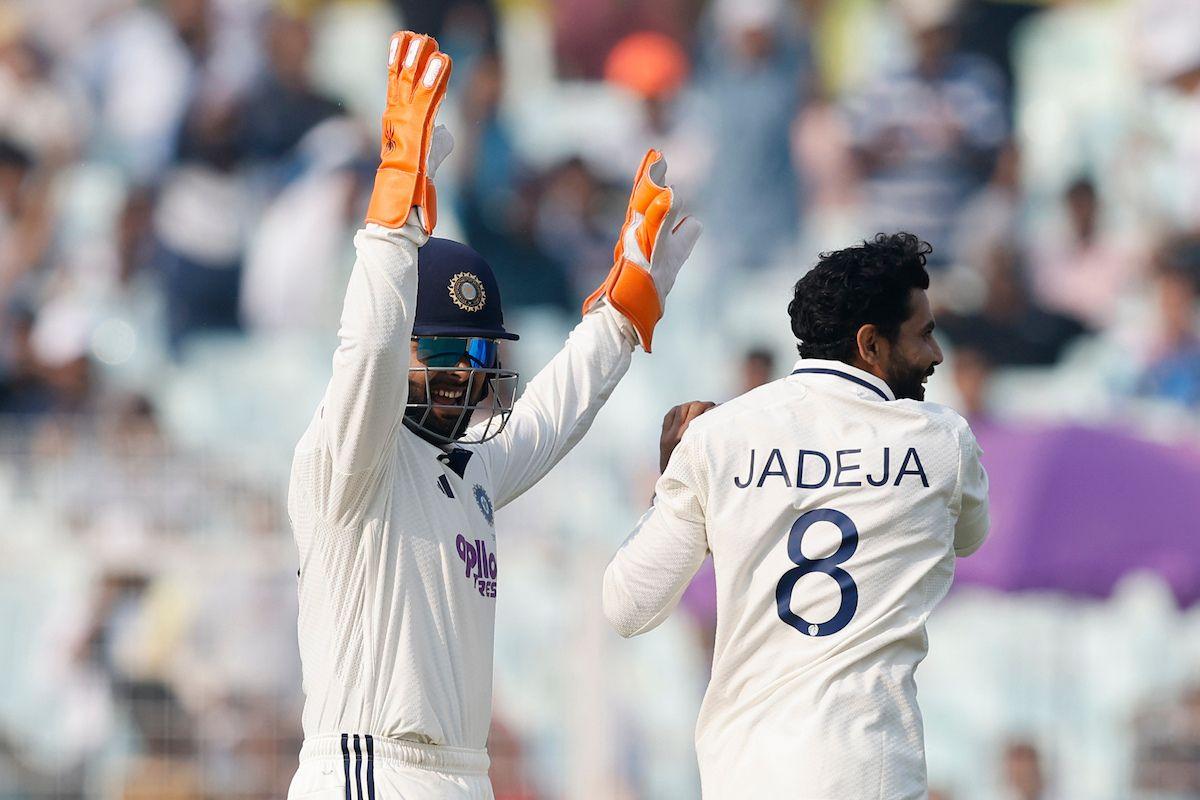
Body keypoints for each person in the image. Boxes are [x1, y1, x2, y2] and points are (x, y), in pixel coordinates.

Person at [286, 31, 701, 800]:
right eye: (443, 355)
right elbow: (370, 346)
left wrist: (618, 319)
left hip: (458, 774)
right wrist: (392, 222)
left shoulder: (467, 471)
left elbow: (548, 418)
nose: (464, 378)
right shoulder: (351, 458)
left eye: (479, 359)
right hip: (366, 770)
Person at [602, 232, 988, 798]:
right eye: (924, 334)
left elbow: (627, 607)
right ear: (870, 345)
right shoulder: (941, 441)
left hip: (744, 776)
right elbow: (971, 538)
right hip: (871, 773)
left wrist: (677, 489)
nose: (935, 355)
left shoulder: (717, 435)